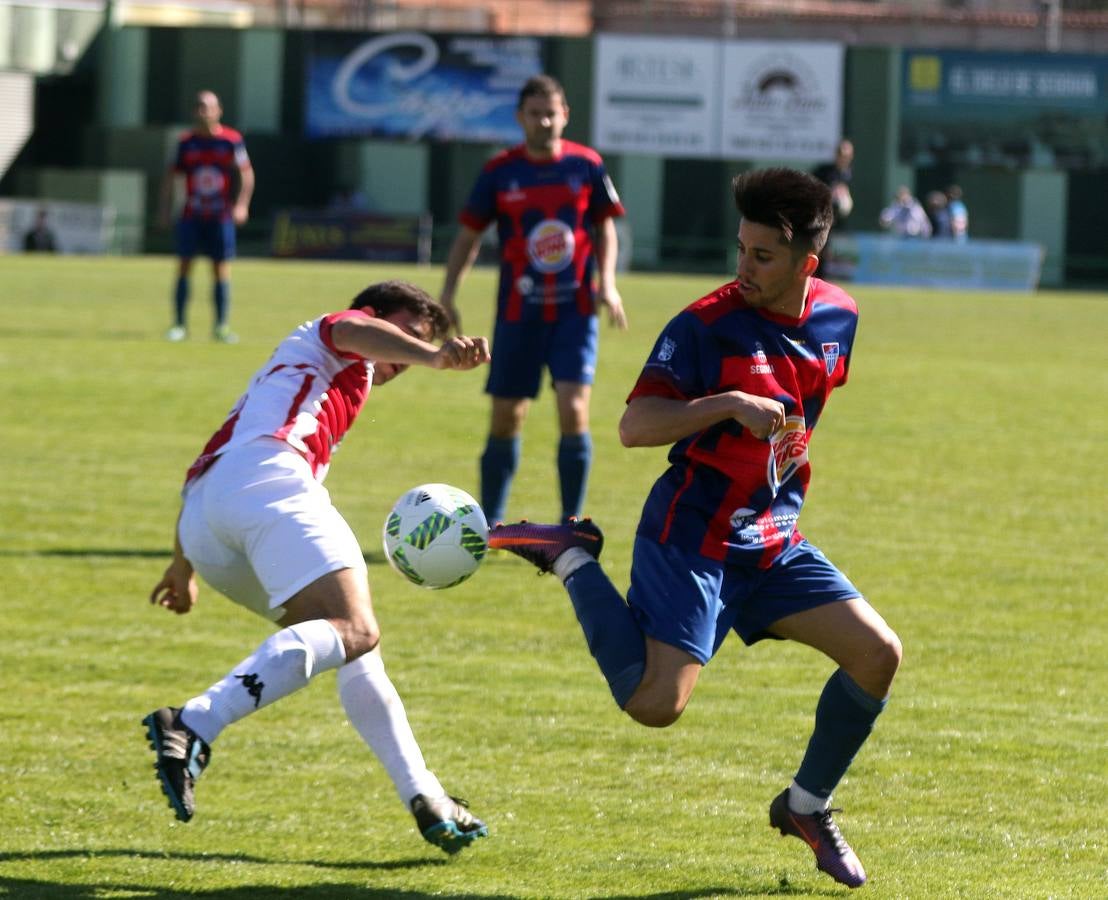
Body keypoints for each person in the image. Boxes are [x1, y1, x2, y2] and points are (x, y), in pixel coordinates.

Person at [489, 169, 902, 889]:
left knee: (878, 655)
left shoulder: (840, 317)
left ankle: (807, 806)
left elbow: (800, 419)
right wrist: (724, 403)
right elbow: (633, 425)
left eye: (761, 257)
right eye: (739, 249)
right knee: (654, 705)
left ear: (808, 263)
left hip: (772, 539)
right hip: (693, 534)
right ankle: (572, 557)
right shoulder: (704, 325)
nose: (742, 267)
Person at [143, 280, 492, 854]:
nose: (406, 356)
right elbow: (353, 329)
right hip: (270, 482)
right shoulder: (334, 333)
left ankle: (425, 793)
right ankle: (195, 721)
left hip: (208, 520)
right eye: (406, 332)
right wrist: (433, 354)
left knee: (354, 645)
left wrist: (183, 564)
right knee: (355, 628)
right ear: (375, 315)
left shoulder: (300, 380)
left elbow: (211, 454)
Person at [438, 74, 627, 527]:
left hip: (575, 311)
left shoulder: (586, 165)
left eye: (552, 112)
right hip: (519, 314)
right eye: (535, 113)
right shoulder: (500, 171)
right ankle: (491, 526)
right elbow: (469, 236)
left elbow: (604, 227)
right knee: (506, 417)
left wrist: (608, 281)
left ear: (566, 115)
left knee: (574, 409)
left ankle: (570, 524)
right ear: (520, 118)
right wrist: (447, 294)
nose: (545, 121)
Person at [159, 89, 255, 343]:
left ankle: (221, 326)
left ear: (219, 111)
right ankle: (179, 325)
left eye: (209, 106)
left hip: (220, 215)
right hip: (192, 213)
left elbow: (246, 174)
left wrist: (241, 204)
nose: (204, 111)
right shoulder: (186, 142)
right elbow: (170, 177)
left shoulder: (231, 140)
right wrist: (165, 208)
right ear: (194, 111)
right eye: (200, 106)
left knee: (220, 268)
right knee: (183, 266)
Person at [811, 139, 853, 277]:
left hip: (834, 219)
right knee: (817, 249)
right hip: (818, 217)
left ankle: (819, 280)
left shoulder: (847, 174)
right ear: (837, 155)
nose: (845, 158)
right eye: (842, 154)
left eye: (847, 155)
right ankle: (811, 279)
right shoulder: (824, 171)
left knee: (826, 251)